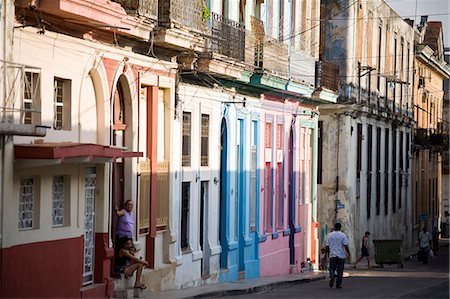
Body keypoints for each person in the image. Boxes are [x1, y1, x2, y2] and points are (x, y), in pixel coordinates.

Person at [326, 223, 350, 289]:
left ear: (334, 227)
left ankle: (332, 275)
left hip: (332, 254)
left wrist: (327, 254)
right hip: (341, 255)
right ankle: (338, 284)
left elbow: (327, 246)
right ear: (340, 227)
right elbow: (345, 245)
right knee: (340, 270)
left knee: (331, 268)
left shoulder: (330, 235)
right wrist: (348, 253)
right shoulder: (343, 235)